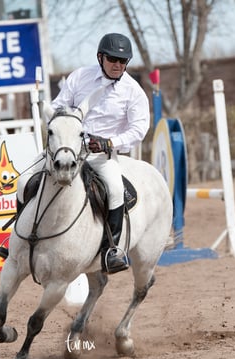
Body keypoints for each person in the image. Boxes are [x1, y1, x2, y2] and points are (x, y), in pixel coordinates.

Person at [17, 33, 150, 274]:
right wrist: (49, 110)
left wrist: (110, 142)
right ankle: (18, 240)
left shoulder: (133, 91)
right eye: (113, 59)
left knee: (116, 189)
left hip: (100, 155)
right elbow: (60, 105)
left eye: (123, 61)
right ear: (100, 57)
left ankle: (112, 250)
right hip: (67, 149)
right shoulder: (80, 77)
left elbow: (139, 129)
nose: (118, 65)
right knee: (23, 181)